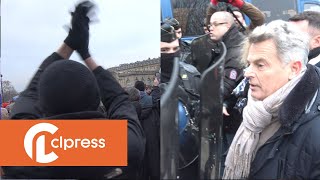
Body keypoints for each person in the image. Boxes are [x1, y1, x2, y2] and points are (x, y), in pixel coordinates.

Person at [3, 1, 145, 179]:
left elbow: (29, 95)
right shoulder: (124, 145)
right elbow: (119, 99)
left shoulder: (20, 148)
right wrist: (85, 53)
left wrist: (69, 43)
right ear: (96, 99)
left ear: (42, 105)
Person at [223, 20, 320, 179]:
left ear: (293, 69)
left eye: (260, 65)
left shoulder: (314, 129)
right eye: (249, 64)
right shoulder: (257, 107)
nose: (247, 73)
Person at [160, 23, 201, 180]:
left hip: (191, 158)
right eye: (164, 50)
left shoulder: (192, 75)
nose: (171, 54)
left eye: (174, 49)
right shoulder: (155, 83)